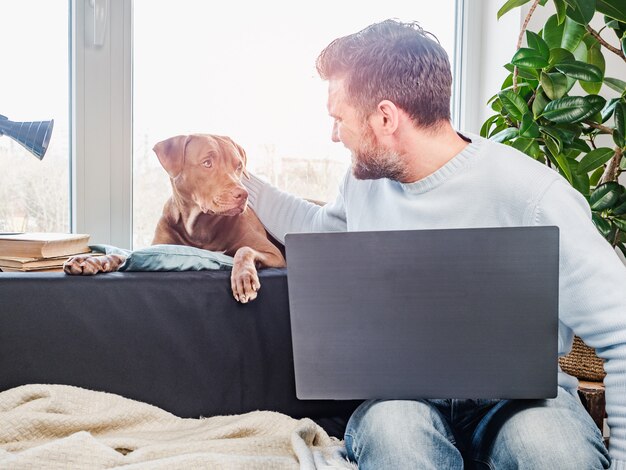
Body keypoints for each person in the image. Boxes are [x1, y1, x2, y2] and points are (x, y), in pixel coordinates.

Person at [244, 19, 625, 469]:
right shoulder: (363, 186)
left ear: (385, 118)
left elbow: (620, 331)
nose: (334, 135)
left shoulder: (532, 194)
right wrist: (237, 180)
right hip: (402, 403)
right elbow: (314, 228)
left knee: (550, 450)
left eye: (338, 118)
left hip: (524, 403)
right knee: (395, 437)